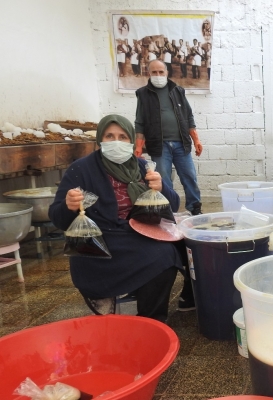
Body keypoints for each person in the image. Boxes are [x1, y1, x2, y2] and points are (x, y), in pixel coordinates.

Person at [48, 115, 184, 323]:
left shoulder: (142, 167)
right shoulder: (82, 169)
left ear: (131, 141)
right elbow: (57, 218)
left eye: (122, 137)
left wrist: (161, 188)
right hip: (104, 239)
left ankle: (172, 309)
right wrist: (69, 206)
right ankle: (146, 318)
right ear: (100, 140)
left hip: (141, 230)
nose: (116, 142)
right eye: (109, 136)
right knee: (162, 256)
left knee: (186, 245)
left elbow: (173, 205)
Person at [135, 59, 202, 311]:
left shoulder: (177, 90)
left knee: (190, 177)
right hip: (159, 145)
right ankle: (167, 215)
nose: (158, 75)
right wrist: (138, 147)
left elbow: (189, 116)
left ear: (167, 72)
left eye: (161, 71)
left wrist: (196, 139)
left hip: (181, 143)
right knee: (163, 182)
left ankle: (195, 209)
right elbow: (140, 122)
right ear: (148, 73)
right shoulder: (143, 94)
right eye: (154, 72)